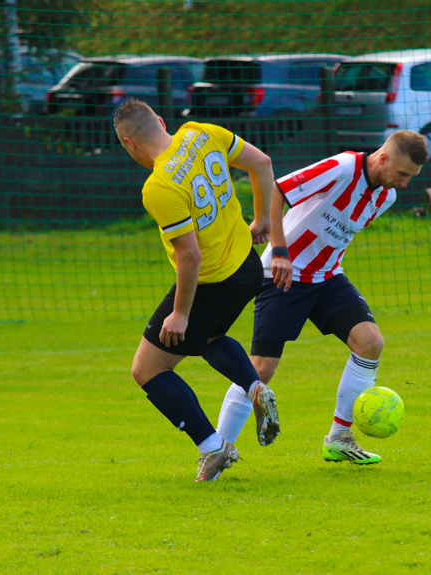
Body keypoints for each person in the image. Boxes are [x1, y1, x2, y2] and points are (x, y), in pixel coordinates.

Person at [215, 130, 428, 464]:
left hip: (327, 278)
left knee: (370, 342)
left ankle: (339, 437)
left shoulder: (385, 198)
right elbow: (279, 189)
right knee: (261, 369)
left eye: (411, 178)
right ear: (384, 157)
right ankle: (218, 449)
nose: (404, 184)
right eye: (402, 174)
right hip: (283, 275)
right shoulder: (343, 167)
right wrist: (280, 249)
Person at [113, 99, 280, 482]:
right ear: (160, 119)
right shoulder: (199, 132)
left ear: (129, 144)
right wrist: (261, 220)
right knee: (210, 337)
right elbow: (263, 164)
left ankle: (213, 447)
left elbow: (189, 256)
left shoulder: (159, 187)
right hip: (249, 267)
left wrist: (181, 313)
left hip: (212, 282)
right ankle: (255, 388)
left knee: (148, 369)